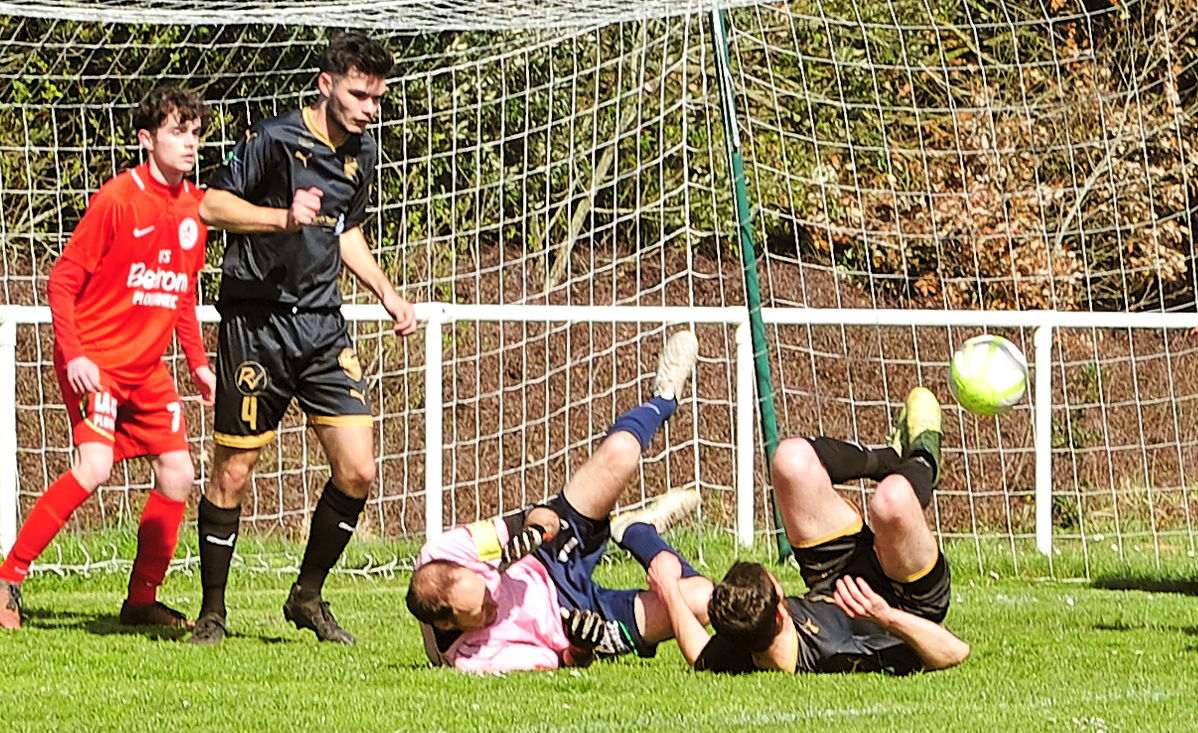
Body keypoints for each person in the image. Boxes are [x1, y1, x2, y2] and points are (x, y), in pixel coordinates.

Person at [188, 32, 417, 646]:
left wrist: (387, 292)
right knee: (233, 472)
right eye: (359, 95)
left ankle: (307, 594)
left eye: (377, 99)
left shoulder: (361, 155)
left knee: (359, 470)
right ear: (326, 85)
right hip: (257, 326)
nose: (370, 109)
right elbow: (210, 207)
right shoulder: (272, 139)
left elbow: (344, 233)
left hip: (322, 326)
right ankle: (213, 611)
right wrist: (279, 218)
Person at [0, 87, 214, 630]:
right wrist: (73, 353)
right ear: (147, 140)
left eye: (195, 134)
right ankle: (9, 579)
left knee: (179, 474)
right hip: (96, 359)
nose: (189, 144)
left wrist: (197, 363)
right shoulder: (118, 199)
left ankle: (142, 600)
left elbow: (180, 293)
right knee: (93, 467)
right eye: (176, 132)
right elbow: (62, 280)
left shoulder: (195, 209)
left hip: (147, 369)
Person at [405, 330, 712, 673]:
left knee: (622, 451)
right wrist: (582, 647)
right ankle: (640, 532)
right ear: (448, 624)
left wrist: (535, 530)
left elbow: (542, 517)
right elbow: (565, 660)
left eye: (487, 587)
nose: (494, 599)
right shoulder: (475, 659)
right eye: (483, 611)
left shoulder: (444, 552)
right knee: (704, 600)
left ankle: (664, 398)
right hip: (576, 616)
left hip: (548, 557)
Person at [648, 386, 971, 675]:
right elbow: (955, 652)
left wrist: (669, 589)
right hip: (907, 600)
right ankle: (924, 458)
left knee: (791, 459)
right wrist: (886, 617)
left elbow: (700, 655)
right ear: (780, 613)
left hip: (834, 576)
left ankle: (890, 458)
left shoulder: (744, 640)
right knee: (892, 501)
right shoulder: (838, 651)